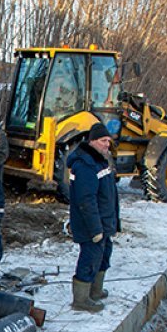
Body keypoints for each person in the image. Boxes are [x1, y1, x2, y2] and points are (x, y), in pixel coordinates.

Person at [56, 122, 119, 313]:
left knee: (104, 253)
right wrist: (95, 229)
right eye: (103, 141)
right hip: (91, 223)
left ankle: (95, 290)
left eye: (108, 140)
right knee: (90, 257)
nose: (107, 144)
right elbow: (86, 200)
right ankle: (81, 298)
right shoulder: (85, 165)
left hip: (103, 220)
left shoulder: (100, 160)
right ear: (92, 141)